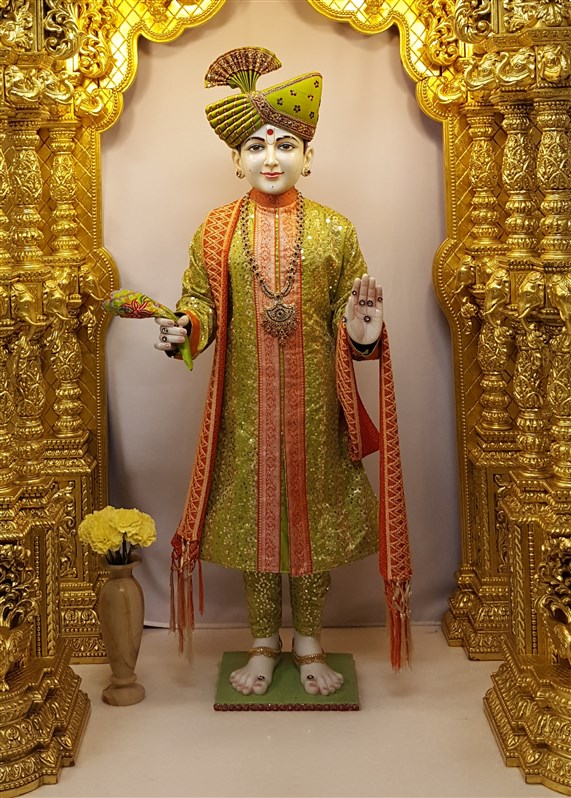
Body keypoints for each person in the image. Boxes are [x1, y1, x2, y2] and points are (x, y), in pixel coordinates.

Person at [155, 47, 411, 697]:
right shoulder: (216, 230)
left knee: (310, 520)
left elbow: (350, 318)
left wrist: (363, 327)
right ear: (235, 160)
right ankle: (264, 644)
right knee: (256, 521)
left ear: (308, 156)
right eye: (256, 146)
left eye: (285, 144)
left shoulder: (335, 231)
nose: (271, 157)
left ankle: (310, 643)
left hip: (315, 408)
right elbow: (200, 304)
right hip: (243, 409)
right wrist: (183, 329)